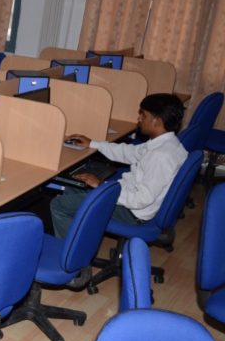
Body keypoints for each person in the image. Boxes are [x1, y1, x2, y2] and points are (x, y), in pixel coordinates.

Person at [50, 93, 187, 238]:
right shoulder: (167, 144)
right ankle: (83, 236)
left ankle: (71, 250)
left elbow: (141, 200)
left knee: (59, 205)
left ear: (157, 121)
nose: (139, 119)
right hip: (129, 196)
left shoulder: (160, 156)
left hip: (131, 213)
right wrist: (93, 143)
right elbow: (130, 153)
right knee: (75, 184)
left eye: (143, 115)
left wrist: (102, 186)